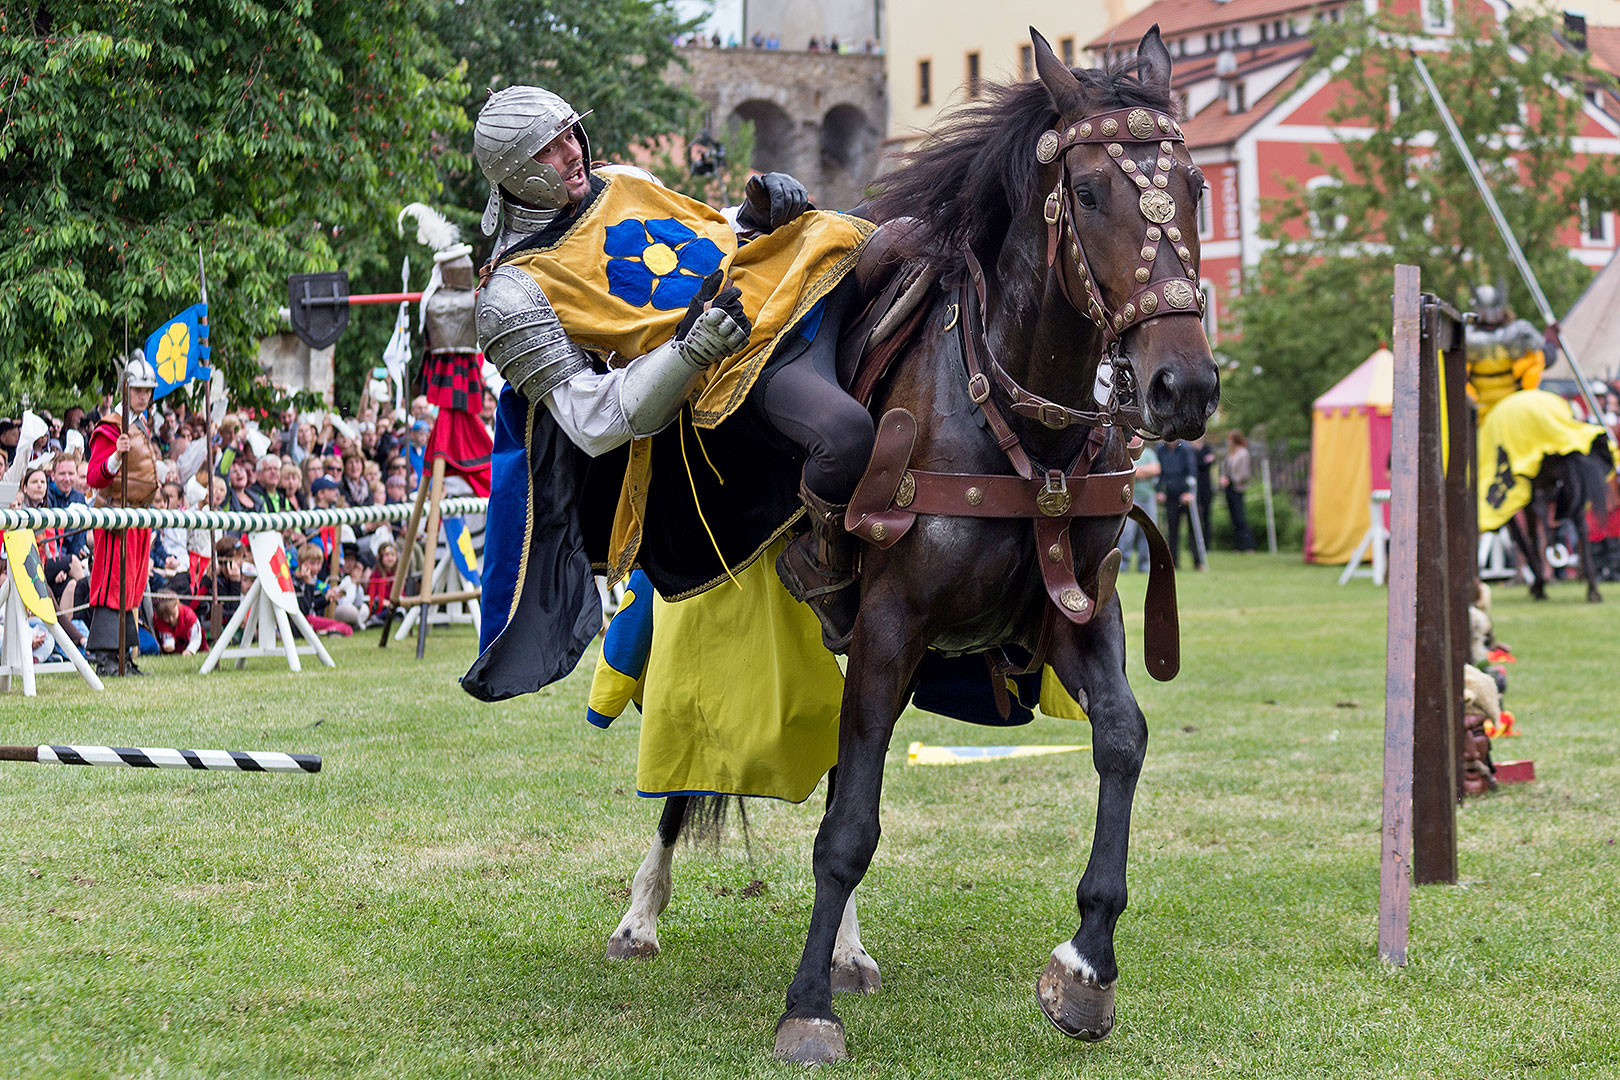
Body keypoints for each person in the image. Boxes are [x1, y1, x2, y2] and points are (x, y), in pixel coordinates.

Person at [470, 84, 872, 657]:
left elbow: (704, 236)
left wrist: (756, 213)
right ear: (514, 172)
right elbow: (591, 420)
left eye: (569, 135)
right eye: (548, 149)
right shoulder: (512, 291)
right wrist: (690, 350)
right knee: (844, 436)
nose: (570, 152)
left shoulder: (626, 180)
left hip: (769, 283)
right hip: (721, 381)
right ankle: (828, 575)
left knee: (895, 231)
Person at [85, 352, 162, 675]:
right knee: (111, 584)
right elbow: (94, 478)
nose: (143, 395)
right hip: (116, 517)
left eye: (147, 389)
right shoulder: (112, 427)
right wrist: (116, 456)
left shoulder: (141, 425)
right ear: (125, 389)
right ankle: (105, 657)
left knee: (131, 588)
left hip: (139, 518)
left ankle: (123, 657)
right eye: (137, 389)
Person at [1465, 283, 1544, 421]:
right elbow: (1460, 373)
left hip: (1510, 404)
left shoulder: (1515, 332)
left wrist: (1525, 391)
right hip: (1480, 406)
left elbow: (1538, 359)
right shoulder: (1468, 336)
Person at [1157, 439, 1203, 570]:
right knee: (1172, 530)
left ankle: (1198, 562)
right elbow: (1160, 474)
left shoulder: (1186, 449)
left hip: (1186, 494)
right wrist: (1159, 491)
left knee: (1193, 529)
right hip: (1170, 496)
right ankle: (1173, 563)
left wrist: (1189, 492)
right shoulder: (1160, 449)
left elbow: (1192, 471)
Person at [1116, 444, 1160, 572]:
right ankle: (1123, 565)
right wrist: (1145, 472)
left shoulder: (1149, 453)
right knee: (1127, 533)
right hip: (1130, 498)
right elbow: (1125, 472)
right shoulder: (1124, 453)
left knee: (1148, 533)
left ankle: (1145, 566)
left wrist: (1137, 471)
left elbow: (1156, 469)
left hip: (1148, 498)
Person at [1220, 430, 1256, 553]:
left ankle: (1248, 545)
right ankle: (1239, 546)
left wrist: (1232, 480)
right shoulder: (1230, 453)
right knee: (1234, 518)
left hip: (1237, 487)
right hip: (1229, 488)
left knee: (1240, 517)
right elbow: (1226, 468)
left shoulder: (1243, 453)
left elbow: (1244, 473)